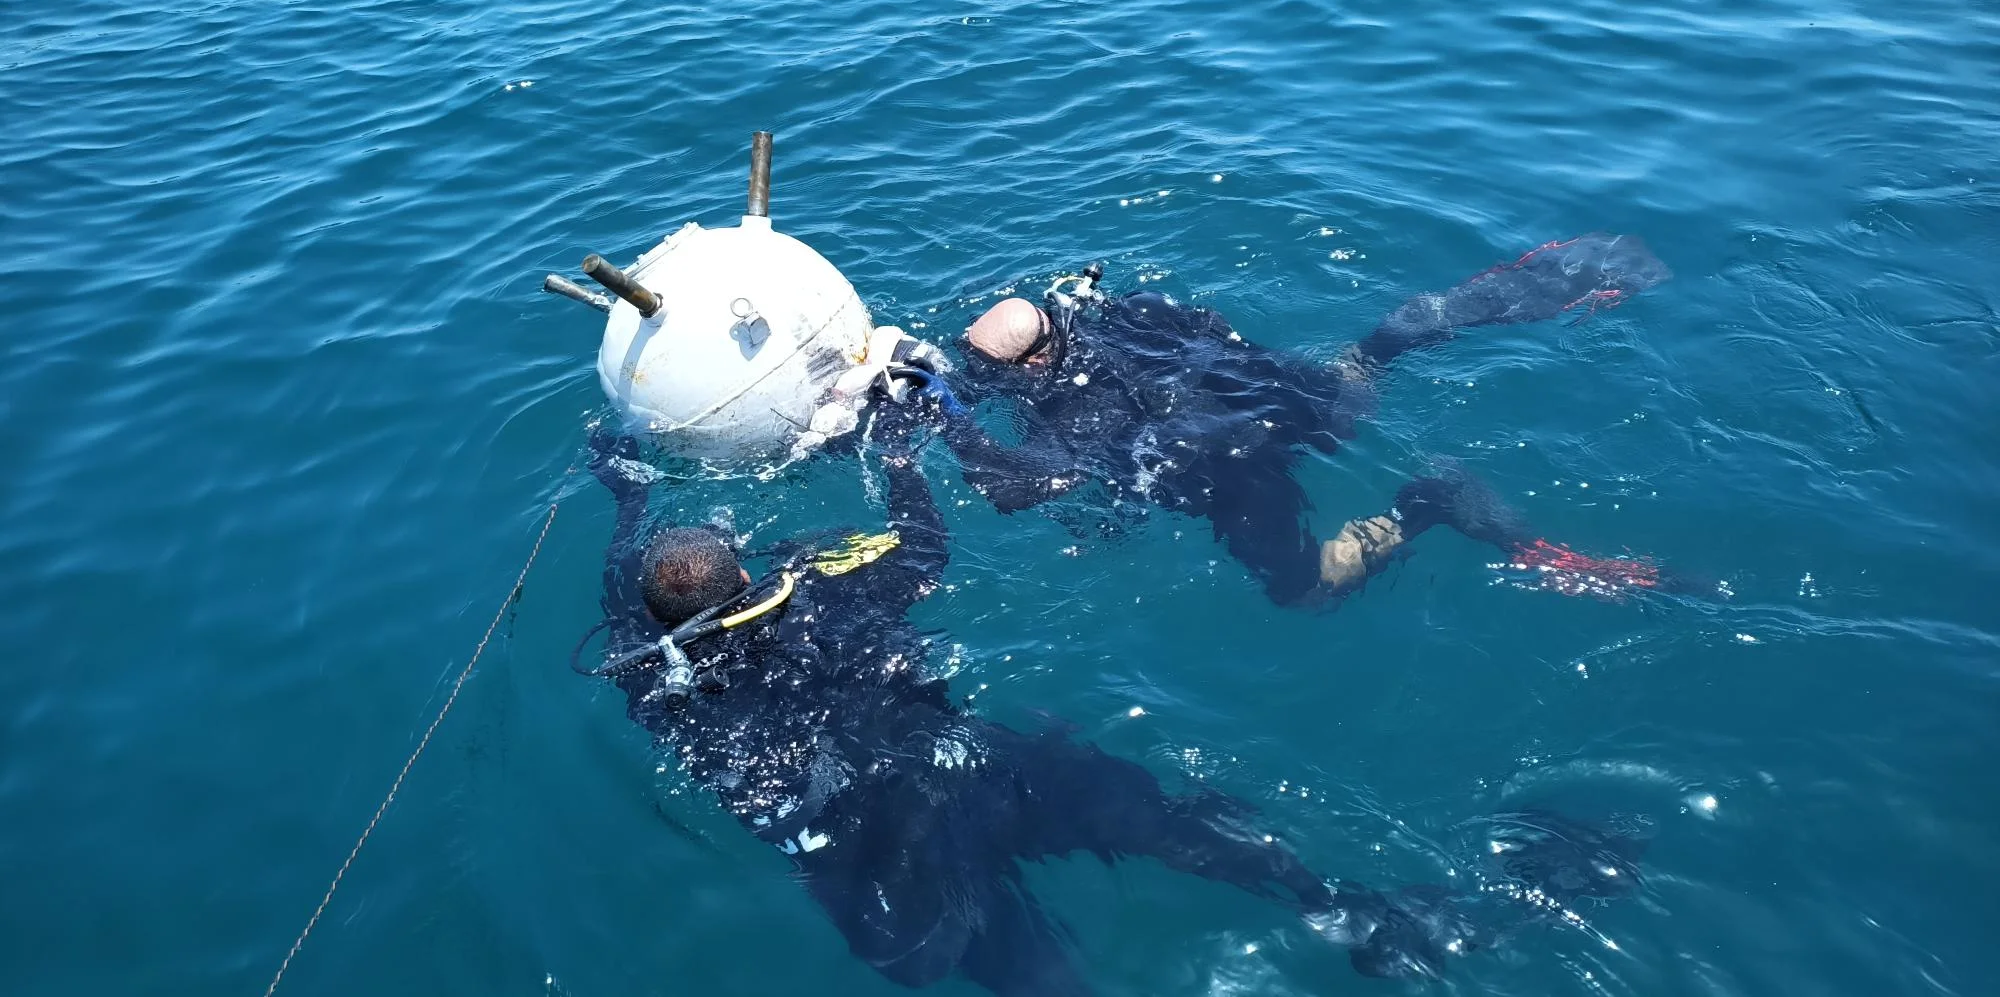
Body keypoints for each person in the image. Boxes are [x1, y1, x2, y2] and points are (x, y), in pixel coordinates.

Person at [577, 422, 1648, 992]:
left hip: (879, 872)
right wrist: (900, 457)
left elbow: (636, 571)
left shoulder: (641, 666)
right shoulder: (825, 593)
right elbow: (930, 550)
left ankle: (1357, 916)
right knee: (1178, 824)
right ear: (746, 576)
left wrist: (623, 492)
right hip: (965, 771)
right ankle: (1363, 914)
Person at [911, 233, 1690, 606]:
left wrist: (943, 409)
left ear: (1029, 364)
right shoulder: (1128, 311)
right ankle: (1408, 330)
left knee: (1303, 588)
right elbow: (1217, 333)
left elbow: (1015, 488)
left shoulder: (1071, 416)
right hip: (1304, 403)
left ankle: (1425, 507)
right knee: (1362, 365)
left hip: (1236, 471)